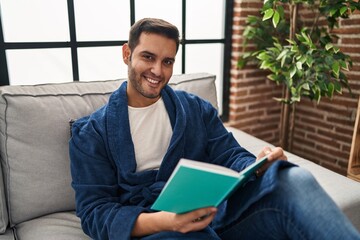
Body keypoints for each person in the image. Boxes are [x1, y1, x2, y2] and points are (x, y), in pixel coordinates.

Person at [69, 18, 360, 240]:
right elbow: (95, 213)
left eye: (167, 61)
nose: (158, 71)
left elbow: (231, 154)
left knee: (291, 178)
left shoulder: (194, 109)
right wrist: (169, 221)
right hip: (156, 226)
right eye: (148, 57)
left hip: (212, 211)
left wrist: (258, 164)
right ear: (126, 54)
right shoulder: (91, 133)